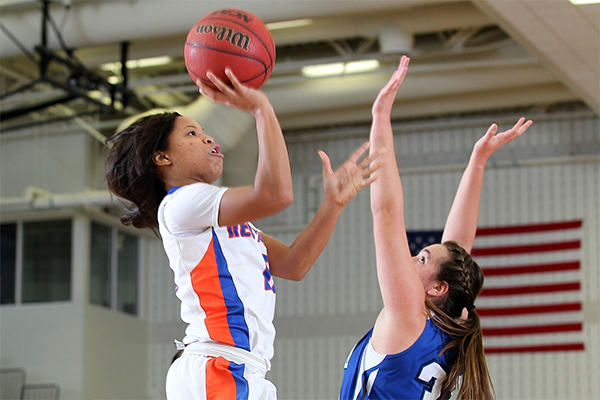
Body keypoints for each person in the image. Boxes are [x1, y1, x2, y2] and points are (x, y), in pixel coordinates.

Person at [105, 68, 383, 400]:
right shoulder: (181, 203)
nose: (208, 138)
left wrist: (333, 204)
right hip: (216, 366)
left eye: (204, 131)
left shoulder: (219, 218)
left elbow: (295, 264)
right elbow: (276, 195)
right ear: (162, 158)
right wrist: (261, 109)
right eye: (192, 134)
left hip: (241, 368)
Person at [339, 56, 533, 400]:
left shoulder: (408, 317)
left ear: (437, 288)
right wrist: (477, 161)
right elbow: (458, 250)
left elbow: (387, 212)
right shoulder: (444, 331)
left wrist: (380, 117)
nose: (412, 257)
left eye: (422, 259)